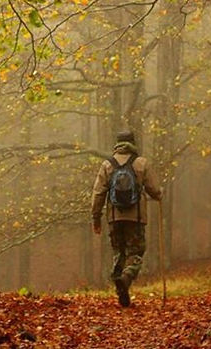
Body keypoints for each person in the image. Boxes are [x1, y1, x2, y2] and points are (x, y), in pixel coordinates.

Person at [91, 130, 162, 307]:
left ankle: (119, 284)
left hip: (114, 218)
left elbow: (98, 193)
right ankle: (126, 277)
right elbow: (153, 189)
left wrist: (96, 218)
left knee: (119, 252)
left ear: (117, 144)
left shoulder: (107, 165)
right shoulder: (141, 163)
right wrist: (159, 195)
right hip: (136, 218)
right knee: (136, 253)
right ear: (133, 143)